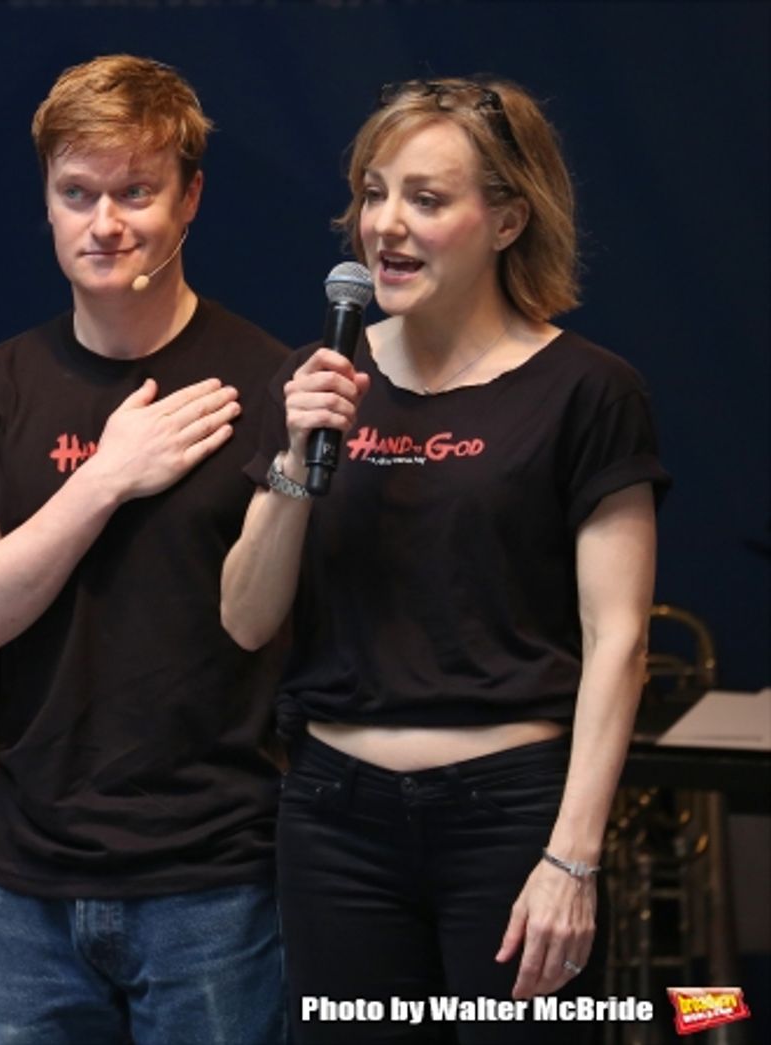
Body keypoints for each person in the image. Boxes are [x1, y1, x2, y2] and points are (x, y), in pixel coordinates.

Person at [222, 77, 669, 1042]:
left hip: (510, 816)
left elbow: (619, 640)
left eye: (426, 199)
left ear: (507, 219)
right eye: (373, 192)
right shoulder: (320, 380)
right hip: (334, 815)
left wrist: (572, 858)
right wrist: (295, 459)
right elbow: (246, 618)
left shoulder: (587, 389)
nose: (385, 224)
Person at [0, 54, 289, 1045]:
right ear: (46, 201)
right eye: (77, 193)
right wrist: (106, 476)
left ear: (189, 199)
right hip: (30, 879)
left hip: (211, 874)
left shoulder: (267, 381)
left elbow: (271, 623)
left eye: (136, 192)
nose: (105, 223)